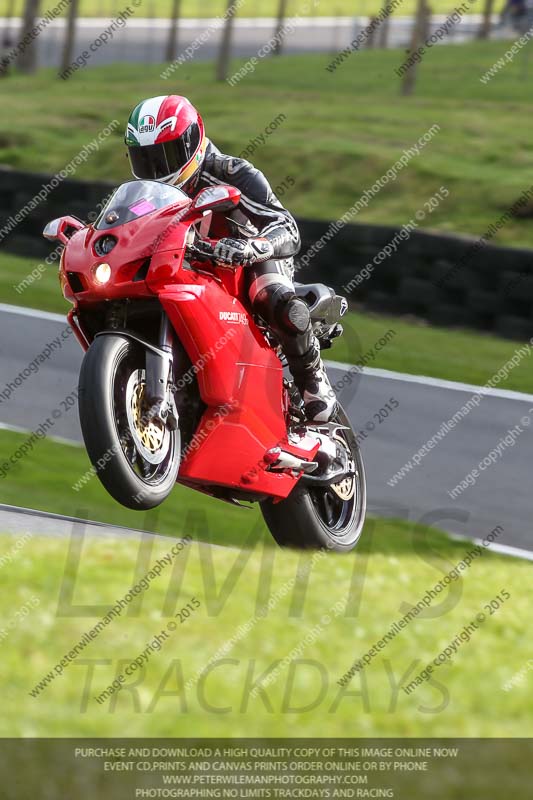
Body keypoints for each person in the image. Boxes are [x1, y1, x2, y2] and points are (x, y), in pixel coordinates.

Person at [124, 95, 335, 422]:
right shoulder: (149, 196)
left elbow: (287, 227)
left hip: (252, 261)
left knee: (270, 294)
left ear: (193, 141)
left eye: (165, 156)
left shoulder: (231, 171)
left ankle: (312, 378)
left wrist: (252, 248)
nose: (157, 170)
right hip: (191, 266)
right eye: (146, 160)